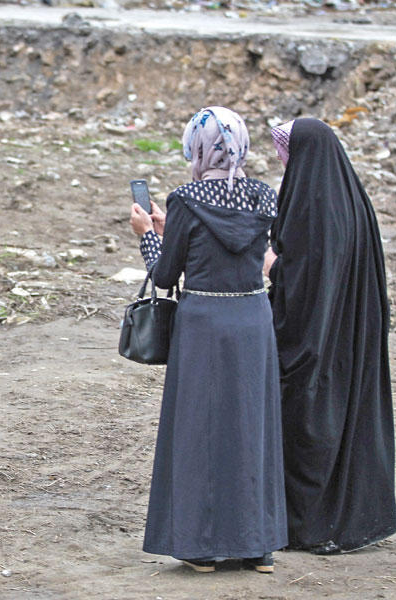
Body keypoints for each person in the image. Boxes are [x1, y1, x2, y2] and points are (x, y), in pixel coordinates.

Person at [129, 107, 287, 573]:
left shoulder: (186, 198)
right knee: (251, 427)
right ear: (240, 145)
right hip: (253, 319)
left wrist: (147, 236)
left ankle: (199, 547)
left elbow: (164, 273)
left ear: (196, 147)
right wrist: (170, 228)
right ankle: (258, 547)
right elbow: (241, 246)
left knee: (198, 429)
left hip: (202, 322)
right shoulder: (264, 196)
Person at [265, 118, 396, 553]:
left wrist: (270, 267)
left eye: (286, 149)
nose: (283, 159)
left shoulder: (312, 205)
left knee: (309, 420)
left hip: (316, 337)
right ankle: (345, 520)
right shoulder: (349, 197)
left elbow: (306, 279)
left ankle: (310, 525)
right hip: (350, 336)